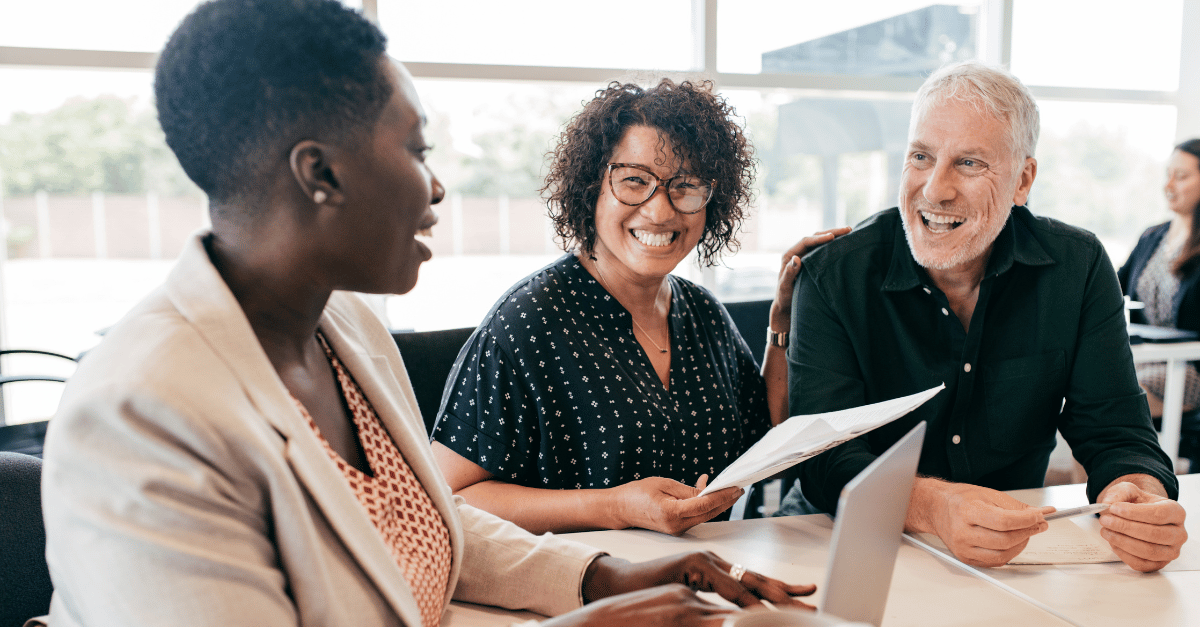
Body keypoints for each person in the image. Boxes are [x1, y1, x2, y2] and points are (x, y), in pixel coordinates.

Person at [34, 2, 819, 626]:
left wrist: (607, 575)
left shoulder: (348, 330)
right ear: (321, 174)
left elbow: (427, 518)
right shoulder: (141, 413)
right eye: (416, 150)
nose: (436, 189)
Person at [783, 60, 1188, 573]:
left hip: (1009, 554)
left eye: (969, 163)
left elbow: (1117, 433)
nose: (934, 189)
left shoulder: (1078, 267)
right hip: (841, 539)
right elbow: (825, 458)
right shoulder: (833, 276)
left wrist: (1139, 496)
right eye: (920, 157)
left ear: (1023, 180)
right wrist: (934, 506)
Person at [431, 78, 845, 536]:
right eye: (635, 181)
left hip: (703, 575)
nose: (661, 211)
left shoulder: (701, 312)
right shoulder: (529, 321)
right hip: (580, 588)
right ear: (592, 187)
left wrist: (783, 322)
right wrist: (614, 507)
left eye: (685, 186)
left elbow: (767, 432)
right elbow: (452, 497)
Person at [1118, 139, 1200, 421]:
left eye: (1181, 177)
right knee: (1084, 392)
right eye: (1168, 174)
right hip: (1145, 357)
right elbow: (1110, 288)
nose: (1169, 185)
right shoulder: (1152, 236)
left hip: (1189, 367)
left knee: (1112, 404)